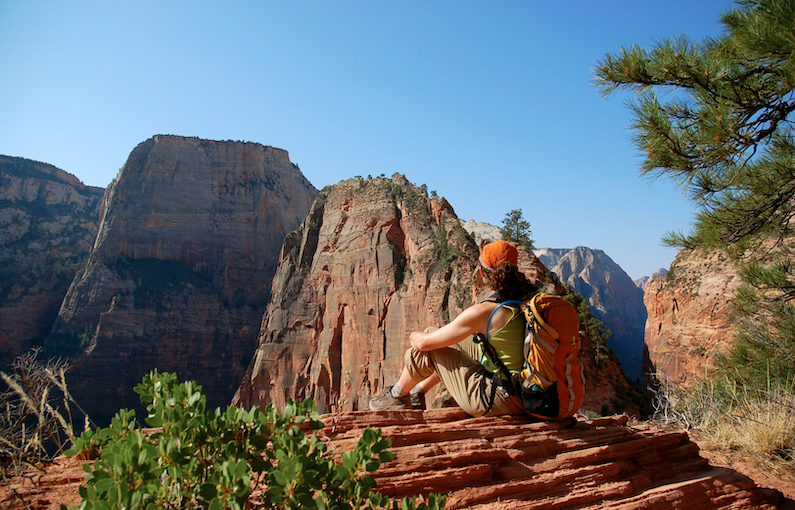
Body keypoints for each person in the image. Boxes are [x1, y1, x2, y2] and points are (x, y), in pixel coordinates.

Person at [368, 240, 541, 417]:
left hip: (500, 400)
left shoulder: (484, 312)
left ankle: (397, 397)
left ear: (482, 272)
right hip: (528, 393)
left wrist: (412, 335)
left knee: (425, 344)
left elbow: (423, 344)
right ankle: (416, 393)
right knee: (440, 338)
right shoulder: (526, 301)